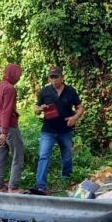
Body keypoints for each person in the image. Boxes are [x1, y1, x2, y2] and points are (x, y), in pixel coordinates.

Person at [31, 66, 84, 194]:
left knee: (67, 157)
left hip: (65, 131)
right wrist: (40, 108)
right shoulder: (45, 91)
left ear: (62, 77)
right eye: (51, 77)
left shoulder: (70, 91)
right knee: (44, 156)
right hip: (48, 130)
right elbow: (36, 109)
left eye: (56, 77)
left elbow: (80, 107)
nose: (53, 80)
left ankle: (66, 182)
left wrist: (75, 118)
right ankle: (40, 186)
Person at [0, 63, 24, 192]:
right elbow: (6, 110)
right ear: (13, 74)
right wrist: (5, 132)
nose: (19, 78)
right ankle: (13, 187)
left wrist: (1, 130)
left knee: (0, 158)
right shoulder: (10, 88)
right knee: (18, 156)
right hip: (8, 128)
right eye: (19, 75)